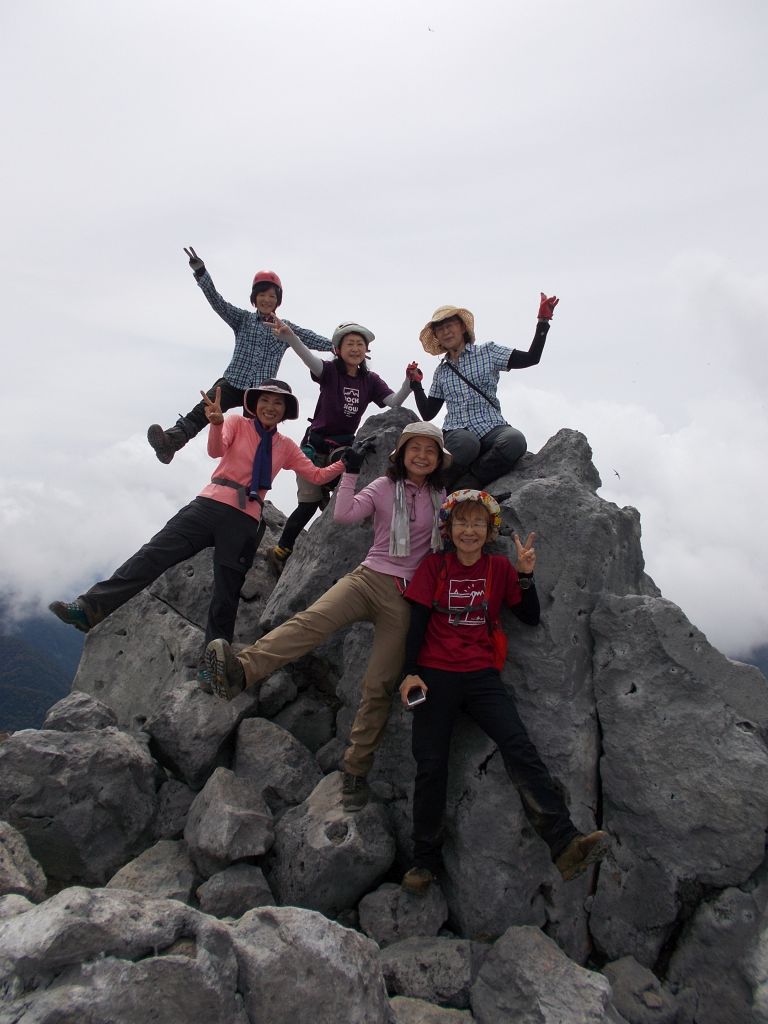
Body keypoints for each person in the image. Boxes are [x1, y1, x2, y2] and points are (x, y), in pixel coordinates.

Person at [205, 421, 451, 811]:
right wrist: (350, 472)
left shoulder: (443, 497)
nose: (422, 456)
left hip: (407, 597)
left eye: (430, 450)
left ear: (439, 460)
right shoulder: (385, 488)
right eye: (414, 448)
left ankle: (355, 771)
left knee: (379, 684)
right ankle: (241, 671)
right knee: (310, 622)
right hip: (368, 577)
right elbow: (345, 515)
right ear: (401, 454)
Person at [50, 382, 344, 679]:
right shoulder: (235, 423)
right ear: (254, 404)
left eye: (278, 403)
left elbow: (316, 475)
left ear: (285, 411)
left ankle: (211, 667)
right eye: (265, 400)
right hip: (209, 503)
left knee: (226, 594)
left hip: (244, 519)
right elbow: (216, 450)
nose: (270, 407)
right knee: (153, 555)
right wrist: (215, 423)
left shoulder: (287, 446)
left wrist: (347, 463)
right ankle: (90, 608)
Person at [398, 489, 609, 894]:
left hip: (481, 676)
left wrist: (525, 575)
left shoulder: (498, 568)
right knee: (430, 765)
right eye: (462, 522)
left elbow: (529, 617)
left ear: (490, 529)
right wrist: (409, 673)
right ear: (449, 528)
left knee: (519, 745)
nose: (470, 530)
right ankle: (424, 863)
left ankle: (565, 845)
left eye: (479, 523)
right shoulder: (434, 566)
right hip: (436, 675)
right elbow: (418, 621)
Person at [146, 247, 333, 464]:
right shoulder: (242, 319)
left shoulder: (284, 328)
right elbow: (218, 303)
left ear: (278, 300)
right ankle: (170, 443)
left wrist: (337, 346)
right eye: (262, 295)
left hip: (259, 392)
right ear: (254, 298)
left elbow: (310, 338)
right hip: (233, 380)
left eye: (271, 296)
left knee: (252, 436)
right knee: (203, 410)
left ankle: (247, 474)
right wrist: (201, 272)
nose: (266, 300)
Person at [267, 317, 418, 574]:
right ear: (338, 348)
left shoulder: (370, 380)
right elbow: (307, 358)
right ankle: (281, 550)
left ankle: (331, 503)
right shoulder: (329, 371)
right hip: (314, 447)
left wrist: (409, 382)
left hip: (343, 447)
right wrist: (290, 336)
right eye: (350, 343)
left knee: (346, 492)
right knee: (307, 504)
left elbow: (393, 402)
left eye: (360, 344)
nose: (356, 348)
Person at [408, 294, 559, 491]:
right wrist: (416, 385)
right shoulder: (442, 371)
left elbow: (531, 358)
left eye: (450, 325)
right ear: (437, 337)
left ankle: (471, 481)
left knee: (514, 439)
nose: (446, 332)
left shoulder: (488, 352)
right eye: (440, 329)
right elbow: (428, 413)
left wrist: (543, 322)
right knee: (466, 443)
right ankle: (438, 486)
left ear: (462, 327)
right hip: (457, 430)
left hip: (491, 426)